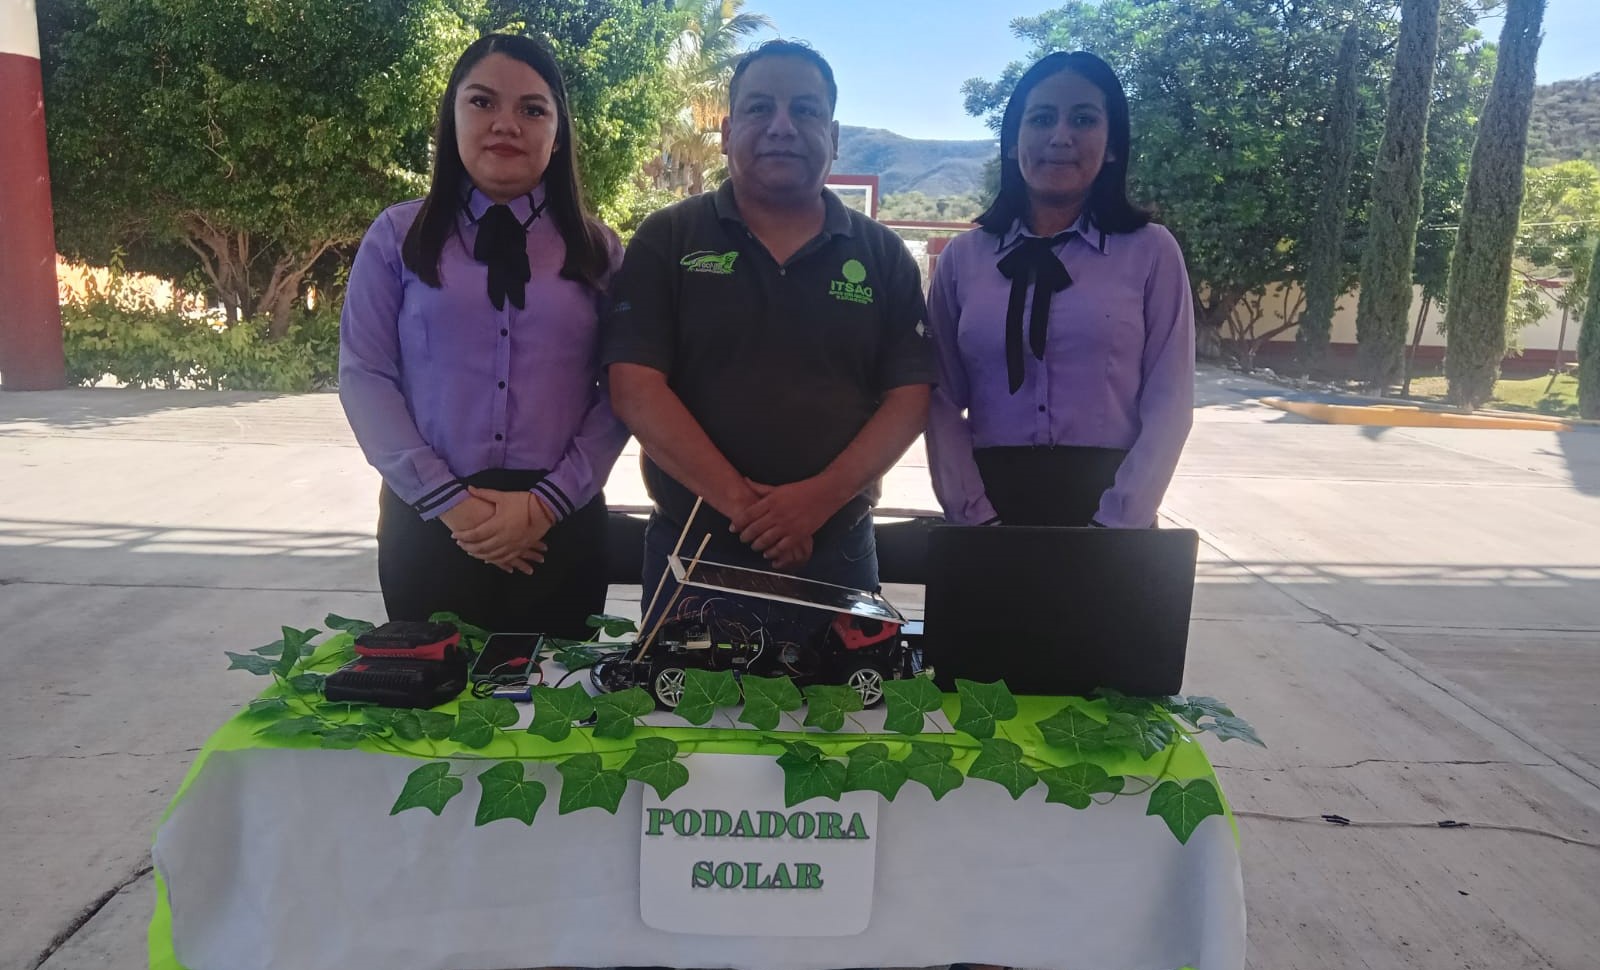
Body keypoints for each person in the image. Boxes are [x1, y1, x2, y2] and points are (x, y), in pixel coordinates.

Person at [603, 39, 935, 620]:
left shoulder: (882, 255)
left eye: (805, 110)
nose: (782, 126)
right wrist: (748, 508)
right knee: (680, 686)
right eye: (760, 108)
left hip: (838, 551)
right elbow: (634, 386)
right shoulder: (669, 238)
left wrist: (815, 502)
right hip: (693, 552)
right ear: (728, 131)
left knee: (847, 684)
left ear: (833, 136)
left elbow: (910, 397)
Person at [339, 34, 627, 638]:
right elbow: (366, 376)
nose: (506, 124)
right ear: (452, 117)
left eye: (532, 109)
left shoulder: (599, 250)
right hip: (431, 522)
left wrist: (547, 503)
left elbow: (621, 388)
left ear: (558, 132)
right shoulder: (396, 236)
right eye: (482, 102)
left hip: (559, 524)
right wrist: (453, 505)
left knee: (555, 694)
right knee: (433, 691)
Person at [926, 50, 1194, 530]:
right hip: (987, 511)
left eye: (1084, 119)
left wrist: (1119, 521)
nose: (1060, 136)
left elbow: (1169, 401)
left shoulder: (1152, 252)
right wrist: (973, 515)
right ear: (1013, 143)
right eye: (1041, 118)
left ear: (1112, 146)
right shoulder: (962, 259)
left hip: (1112, 514)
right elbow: (940, 397)